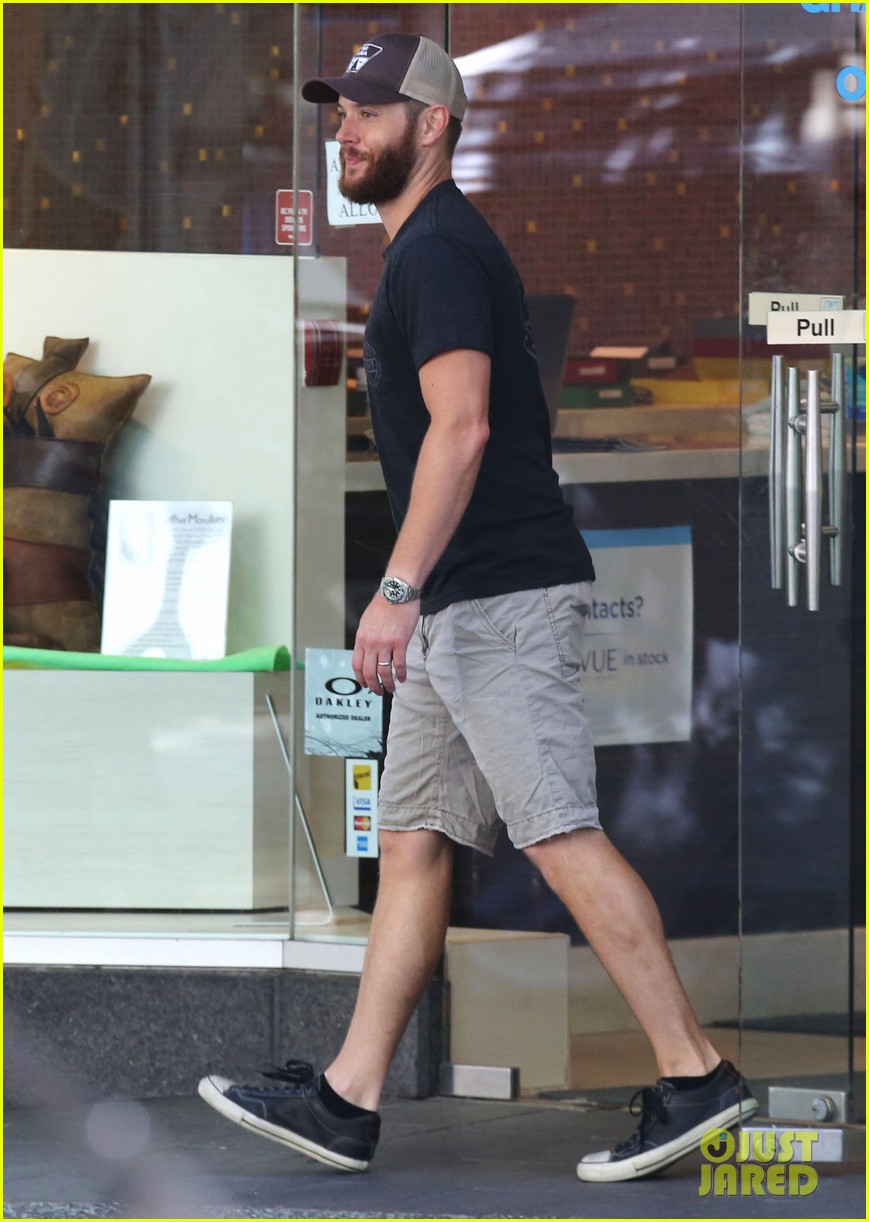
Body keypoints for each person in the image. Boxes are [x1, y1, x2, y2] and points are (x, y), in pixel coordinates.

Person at [198, 32, 758, 1182]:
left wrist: (394, 590)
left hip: (496, 597)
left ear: (434, 124)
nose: (345, 131)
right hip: (461, 603)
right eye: (339, 113)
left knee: (555, 829)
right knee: (411, 843)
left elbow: (463, 430)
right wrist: (421, 596)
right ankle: (349, 1098)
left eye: (368, 112)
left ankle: (695, 1071)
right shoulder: (419, 250)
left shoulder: (441, 250)